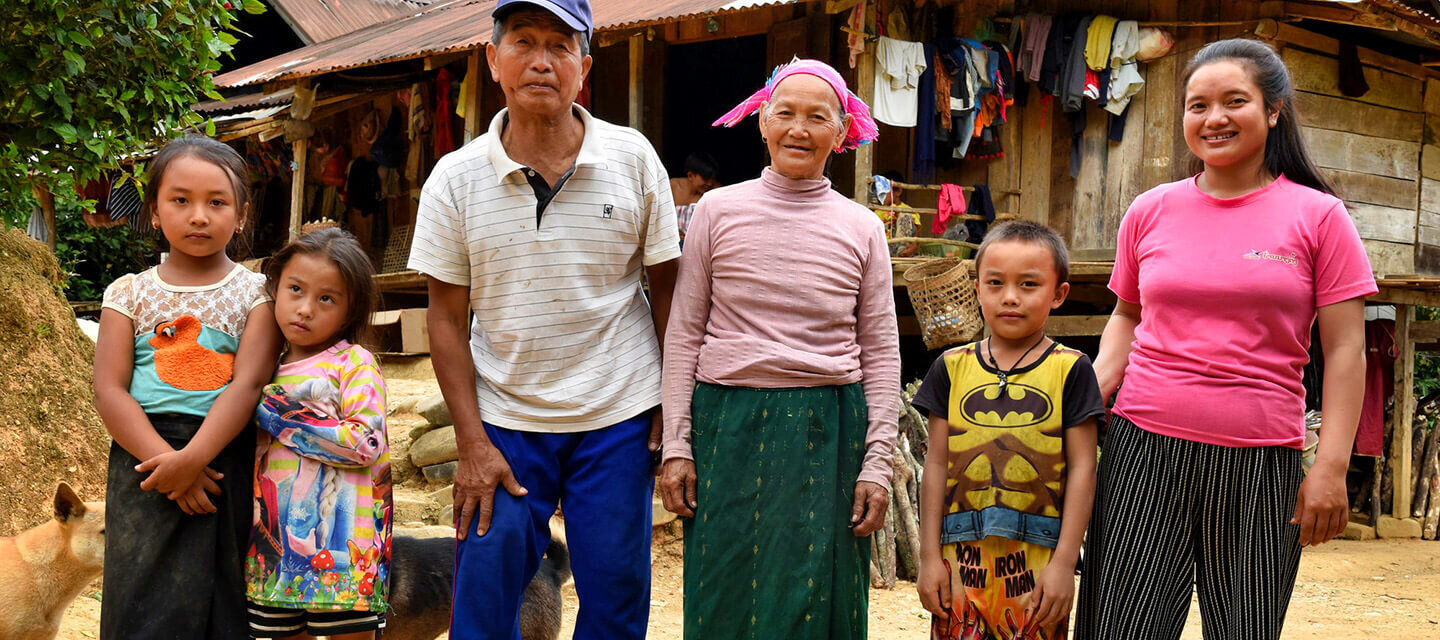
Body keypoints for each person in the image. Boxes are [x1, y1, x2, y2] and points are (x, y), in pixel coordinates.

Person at [1076, 39, 1376, 640]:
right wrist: (1081, 399)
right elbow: (1127, 319)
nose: (1213, 119)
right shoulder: (1151, 209)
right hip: (1143, 450)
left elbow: (1346, 349)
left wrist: (1332, 467)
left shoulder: (1319, 217)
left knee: (1246, 628)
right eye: (1197, 106)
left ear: (1274, 110)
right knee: (1120, 629)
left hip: (1262, 462)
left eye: (1234, 101)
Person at [407, 0, 681, 638]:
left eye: (561, 45)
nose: (541, 60)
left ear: (584, 65)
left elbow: (669, 291)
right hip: (504, 421)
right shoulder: (454, 178)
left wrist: (673, 402)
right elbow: (444, 321)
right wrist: (471, 445)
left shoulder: (633, 158)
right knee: (482, 599)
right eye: (523, 41)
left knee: (615, 599)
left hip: (618, 414)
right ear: (492, 60)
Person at [659, 58, 898, 640]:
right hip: (727, 425)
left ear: (841, 134)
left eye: (818, 117)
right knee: (723, 594)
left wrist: (878, 463)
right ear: (762, 122)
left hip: (829, 428)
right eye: (785, 113)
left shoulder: (863, 226)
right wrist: (677, 443)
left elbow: (882, 351)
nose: (799, 128)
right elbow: (685, 333)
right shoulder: (716, 211)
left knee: (821, 598)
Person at [93, 134, 282, 640]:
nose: (198, 216)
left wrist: (195, 458)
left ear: (241, 214)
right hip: (142, 461)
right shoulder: (128, 292)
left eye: (216, 202)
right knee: (141, 596)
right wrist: (169, 462)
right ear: (154, 210)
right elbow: (110, 391)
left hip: (225, 456)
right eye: (180, 200)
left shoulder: (255, 293)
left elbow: (249, 384)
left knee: (222, 595)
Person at [912, 221, 1102, 640]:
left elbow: (1084, 468)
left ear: (1058, 294)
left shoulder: (1071, 369)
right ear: (977, 288)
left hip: (1037, 561)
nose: (1010, 297)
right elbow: (937, 464)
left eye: (1029, 284)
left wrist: (1065, 563)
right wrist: (928, 558)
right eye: (995, 283)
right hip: (958, 560)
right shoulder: (951, 367)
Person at [246, 228, 391, 640]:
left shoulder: (354, 363)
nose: (305, 308)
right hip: (270, 556)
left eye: (326, 298)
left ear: (348, 311)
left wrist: (273, 410)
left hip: (347, 560)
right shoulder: (261, 367)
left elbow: (366, 444)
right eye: (295, 289)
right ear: (275, 290)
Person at [670, 152, 720, 244]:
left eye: (712, 179)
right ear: (690, 175)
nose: (709, 183)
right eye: (705, 178)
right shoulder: (673, 187)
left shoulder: (716, 191)